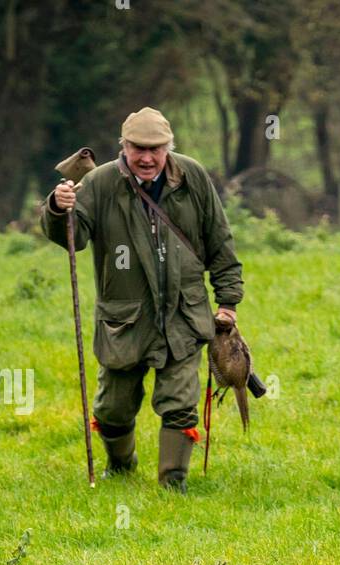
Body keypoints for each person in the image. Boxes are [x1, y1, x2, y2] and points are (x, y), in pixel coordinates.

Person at [43, 107, 244, 492]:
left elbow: (220, 240)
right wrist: (58, 208)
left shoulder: (193, 177)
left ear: (168, 147)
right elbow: (75, 236)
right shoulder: (100, 183)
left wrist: (228, 301)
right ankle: (120, 465)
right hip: (124, 319)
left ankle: (173, 482)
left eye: (156, 149)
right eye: (138, 148)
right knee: (112, 409)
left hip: (184, 315)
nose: (147, 157)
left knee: (179, 402)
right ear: (124, 146)